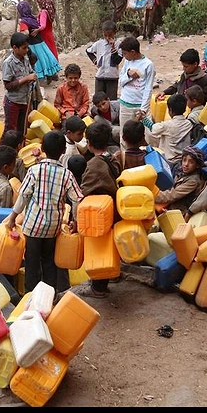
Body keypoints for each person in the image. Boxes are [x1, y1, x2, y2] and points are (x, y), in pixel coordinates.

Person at [6, 131, 84, 294]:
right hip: (53, 228)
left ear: (42, 148)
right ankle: (50, 296)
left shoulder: (34, 171)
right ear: (63, 151)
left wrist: (13, 217)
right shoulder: (66, 174)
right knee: (50, 263)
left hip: (33, 227)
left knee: (32, 264)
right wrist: (75, 221)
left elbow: (23, 196)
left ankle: (30, 297)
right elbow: (77, 198)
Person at [75, 121, 122, 299]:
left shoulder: (94, 164)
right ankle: (106, 280)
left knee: (98, 249)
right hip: (111, 208)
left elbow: (84, 191)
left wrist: (75, 217)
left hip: (99, 213)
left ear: (89, 143)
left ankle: (98, 288)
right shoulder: (111, 157)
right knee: (106, 248)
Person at [117, 36, 156, 141]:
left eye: (125, 53)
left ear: (133, 52)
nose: (124, 56)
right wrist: (129, 76)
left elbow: (148, 88)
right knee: (124, 135)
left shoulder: (148, 65)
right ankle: (125, 156)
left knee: (149, 135)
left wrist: (144, 109)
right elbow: (121, 81)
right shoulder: (127, 62)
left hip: (140, 106)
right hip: (125, 104)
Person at [1, 32, 38, 135]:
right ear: (15, 48)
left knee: (22, 129)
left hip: (24, 100)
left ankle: (20, 149)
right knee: (11, 130)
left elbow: (30, 72)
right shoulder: (8, 63)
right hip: (13, 101)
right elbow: (8, 86)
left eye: (27, 48)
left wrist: (32, 77)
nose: (27, 50)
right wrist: (26, 79)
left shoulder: (25, 59)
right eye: (24, 48)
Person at [142, 93, 193, 167]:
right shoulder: (189, 124)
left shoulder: (167, 125)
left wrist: (143, 119)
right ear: (185, 109)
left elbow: (153, 128)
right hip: (182, 159)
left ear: (170, 110)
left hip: (168, 161)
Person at [16, 0, 61, 83]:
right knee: (45, 59)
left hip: (32, 45)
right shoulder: (33, 18)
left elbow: (26, 32)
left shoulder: (24, 21)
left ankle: (39, 79)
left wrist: (19, 34)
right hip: (41, 43)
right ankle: (50, 75)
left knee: (37, 62)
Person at [155, 145, 205, 215]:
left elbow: (172, 195)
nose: (186, 164)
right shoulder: (180, 172)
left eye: (191, 162)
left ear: (197, 165)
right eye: (184, 160)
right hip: (168, 205)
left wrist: (151, 195)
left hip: (178, 212)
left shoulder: (193, 181)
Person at [86, 19, 123, 100]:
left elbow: (117, 60)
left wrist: (113, 48)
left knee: (112, 99)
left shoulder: (119, 45)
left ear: (115, 32)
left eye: (110, 35)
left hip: (112, 76)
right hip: (100, 76)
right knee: (99, 99)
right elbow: (88, 50)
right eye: (105, 35)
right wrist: (95, 60)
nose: (107, 37)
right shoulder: (99, 44)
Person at [35, 0, 59, 70]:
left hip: (44, 35)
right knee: (52, 49)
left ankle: (51, 69)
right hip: (49, 33)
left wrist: (36, 30)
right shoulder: (49, 12)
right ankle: (55, 66)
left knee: (47, 52)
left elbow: (43, 26)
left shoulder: (43, 12)